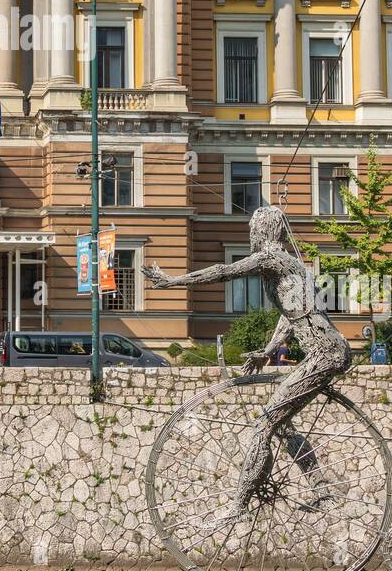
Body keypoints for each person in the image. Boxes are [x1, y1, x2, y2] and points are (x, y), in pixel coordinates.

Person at [144, 205, 351, 520]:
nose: (250, 235)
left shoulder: (272, 259)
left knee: (264, 424)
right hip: (329, 351)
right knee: (279, 425)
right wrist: (268, 351)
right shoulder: (292, 265)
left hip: (325, 353)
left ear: (261, 231)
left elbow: (223, 271)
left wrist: (171, 282)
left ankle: (239, 505)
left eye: (252, 229)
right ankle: (321, 485)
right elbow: (292, 316)